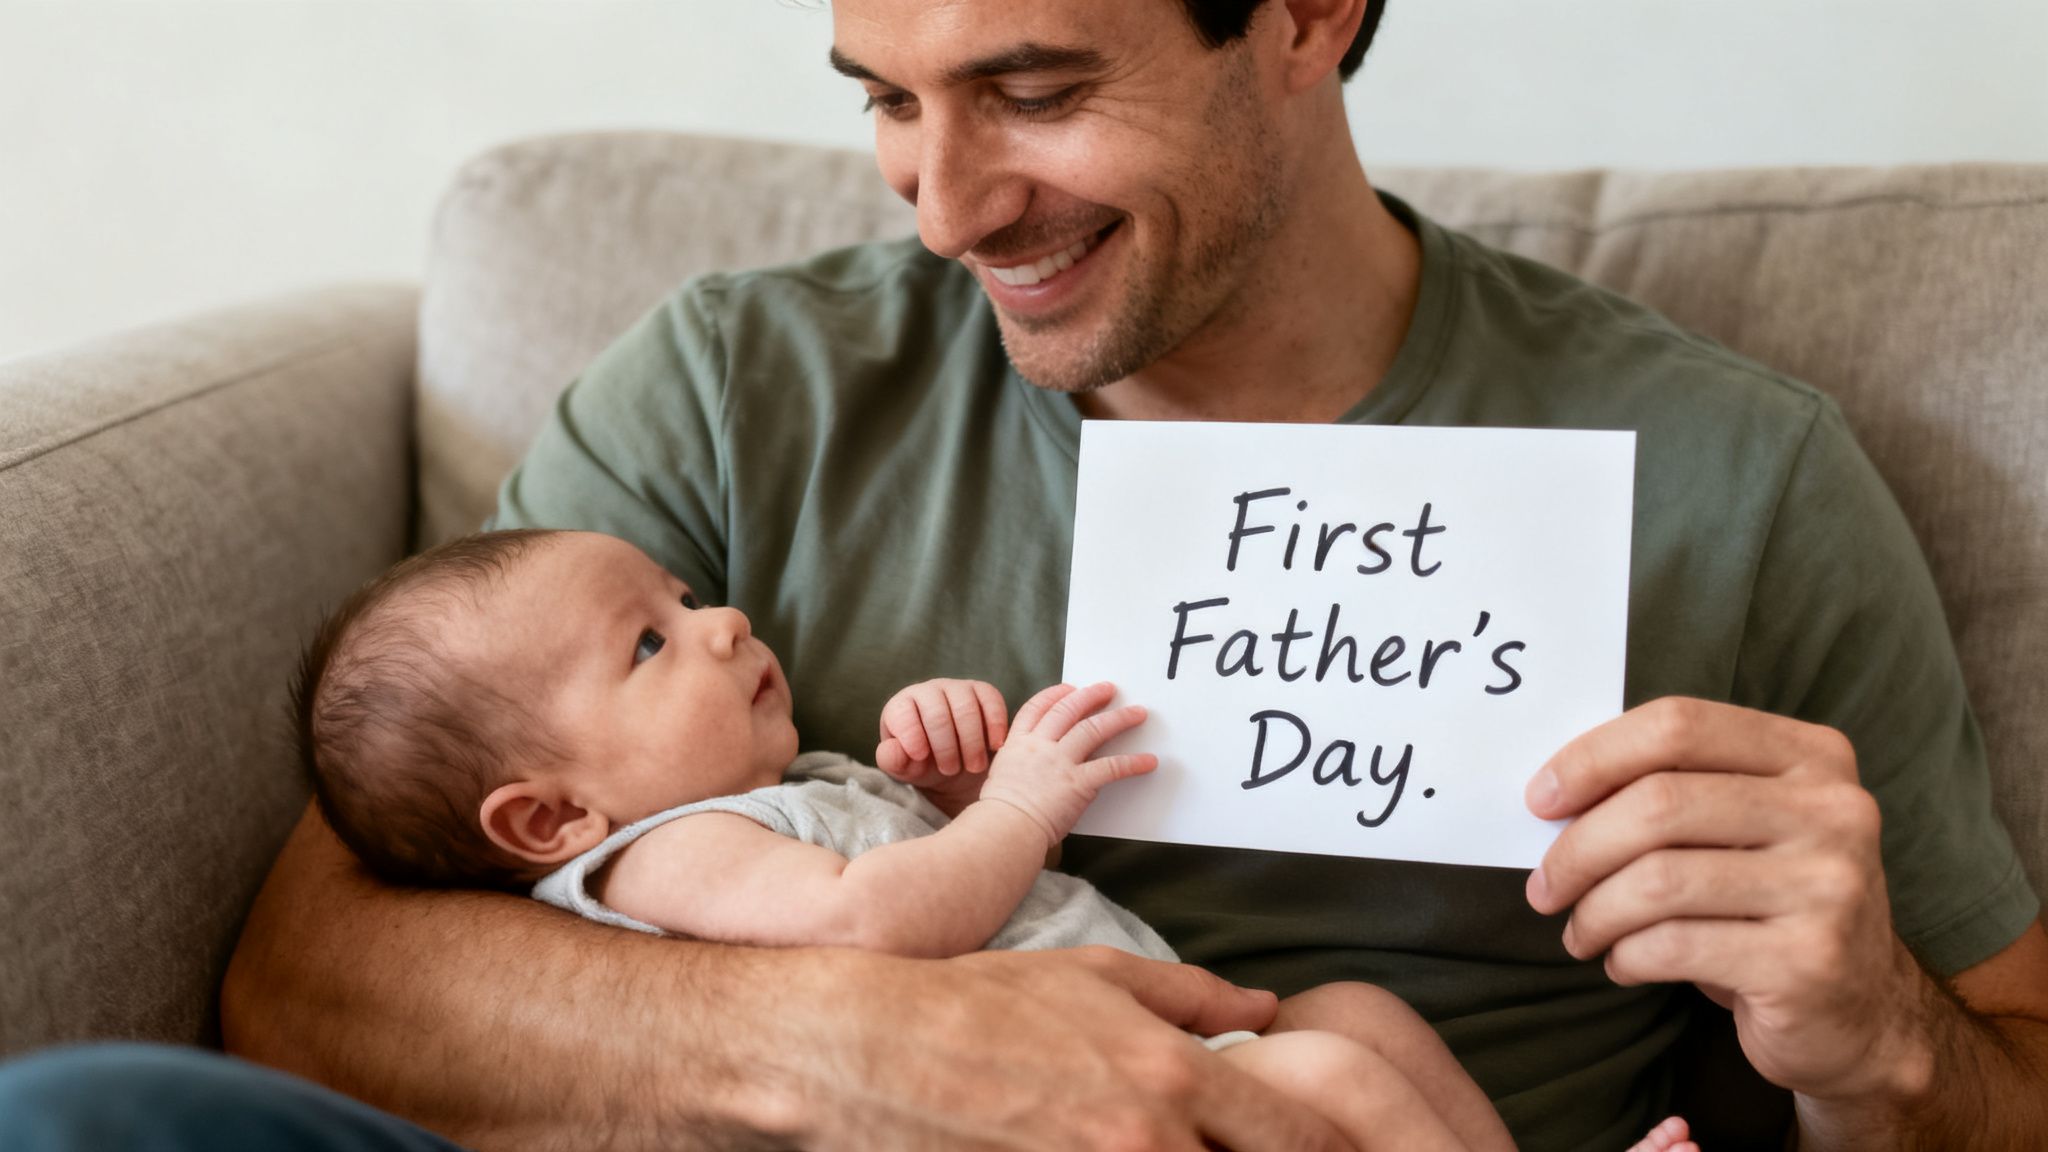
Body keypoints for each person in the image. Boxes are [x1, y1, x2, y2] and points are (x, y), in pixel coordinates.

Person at [2, 0, 2042, 1149]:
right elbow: (314, 973)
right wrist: (872, 1048)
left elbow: (2003, 1081)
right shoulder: (737, 391)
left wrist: (1875, 1043)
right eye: (887, 100)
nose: (947, 205)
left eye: (1036, 92)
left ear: (1311, 14)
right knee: (87, 1121)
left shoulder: (1727, 471)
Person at [292, 525, 1542, 1152]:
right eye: (646, 645)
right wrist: (1013, 812)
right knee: (1331, 1079)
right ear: (553, 818)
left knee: (1357, 1017)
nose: (721, 621)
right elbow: (870, 922)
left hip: (1152, 1043)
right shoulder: (660, 857)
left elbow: (962, 900)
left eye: (681, 597)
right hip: (1038, 1112)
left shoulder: (797, 782)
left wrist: (945, 798)